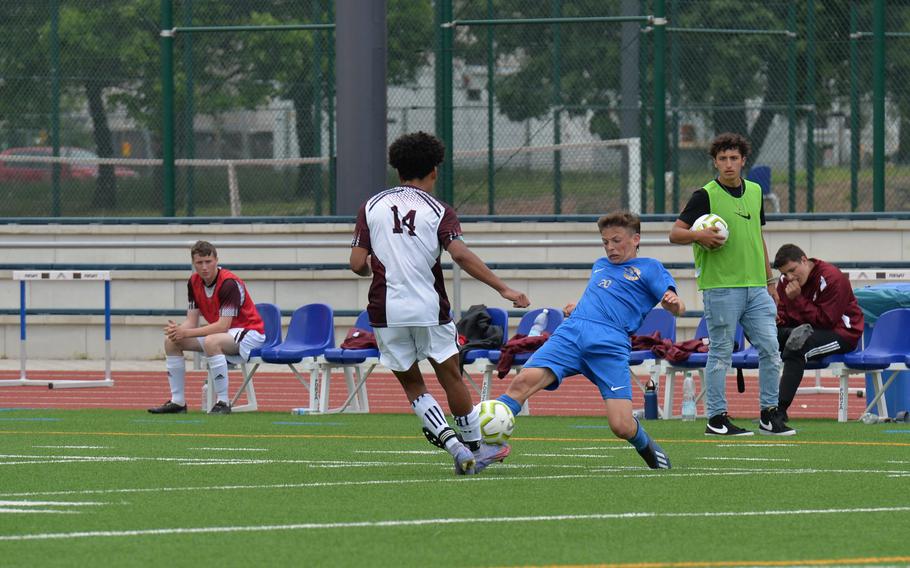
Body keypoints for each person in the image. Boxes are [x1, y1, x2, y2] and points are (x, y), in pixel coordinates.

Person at [350, 131, 530, 476]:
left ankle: (452, 446)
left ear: (397, 168)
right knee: (452, 379)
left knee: (414, 384)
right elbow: (460, 254)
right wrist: (503, 289)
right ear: (434, 170)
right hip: (428, 309)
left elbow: (357, 263)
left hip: (385, 310)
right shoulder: (438, 210)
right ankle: (476, 448)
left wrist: (379, 264)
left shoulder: (370, 206)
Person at [495, 211, 684, 470]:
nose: (610, 247)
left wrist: (673, 303)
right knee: (521, 383)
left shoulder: (650, 267)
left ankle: (645, 444)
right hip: (571, 334)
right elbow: (602, 296)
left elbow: (676, 306)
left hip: (609, 345)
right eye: (605, 242)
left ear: (636, 239)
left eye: (616, 240)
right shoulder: (600, 265)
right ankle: (488, 444)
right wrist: (580, 308)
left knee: (621, 425)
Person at [668, 132, 793, 436]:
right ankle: (716, 417)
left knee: (770, 348)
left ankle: (768, 414)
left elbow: (757, 237)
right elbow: (675, 233)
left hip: (756, 287)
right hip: (721, 287)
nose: (728, 164)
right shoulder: (705, 195)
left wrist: (769, 281)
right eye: (722, 159)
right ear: (715, 162)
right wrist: (700, 236)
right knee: (721, 353)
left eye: (733, 158)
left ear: (743, 160)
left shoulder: (754, 191)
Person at [148, 240, 265, 415]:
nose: (204, 267)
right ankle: (178, 402)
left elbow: (222, 325)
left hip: (250, 332)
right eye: (199, 263)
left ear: (216, 260)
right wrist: (178, 331)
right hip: (224, 333)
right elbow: (191, 321)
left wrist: (186, 332)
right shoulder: (193, 282)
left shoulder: (229, 284)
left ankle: (223, 402)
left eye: (208, 261)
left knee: (212, 341)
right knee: (171, 342)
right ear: (193, 264)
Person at [772, 244, 864, 421]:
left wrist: (797, 299)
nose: (789, 277)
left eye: (792, 270)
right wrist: (777, 319)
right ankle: (767, 408)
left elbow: (826, 321)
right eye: (784, 273)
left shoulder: (833, 278)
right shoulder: (785, 281)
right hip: (805, 330)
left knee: (797, 345)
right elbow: (784, 312)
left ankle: (779, 410)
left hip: (842, 333)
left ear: (804, 260)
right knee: (765, 335)